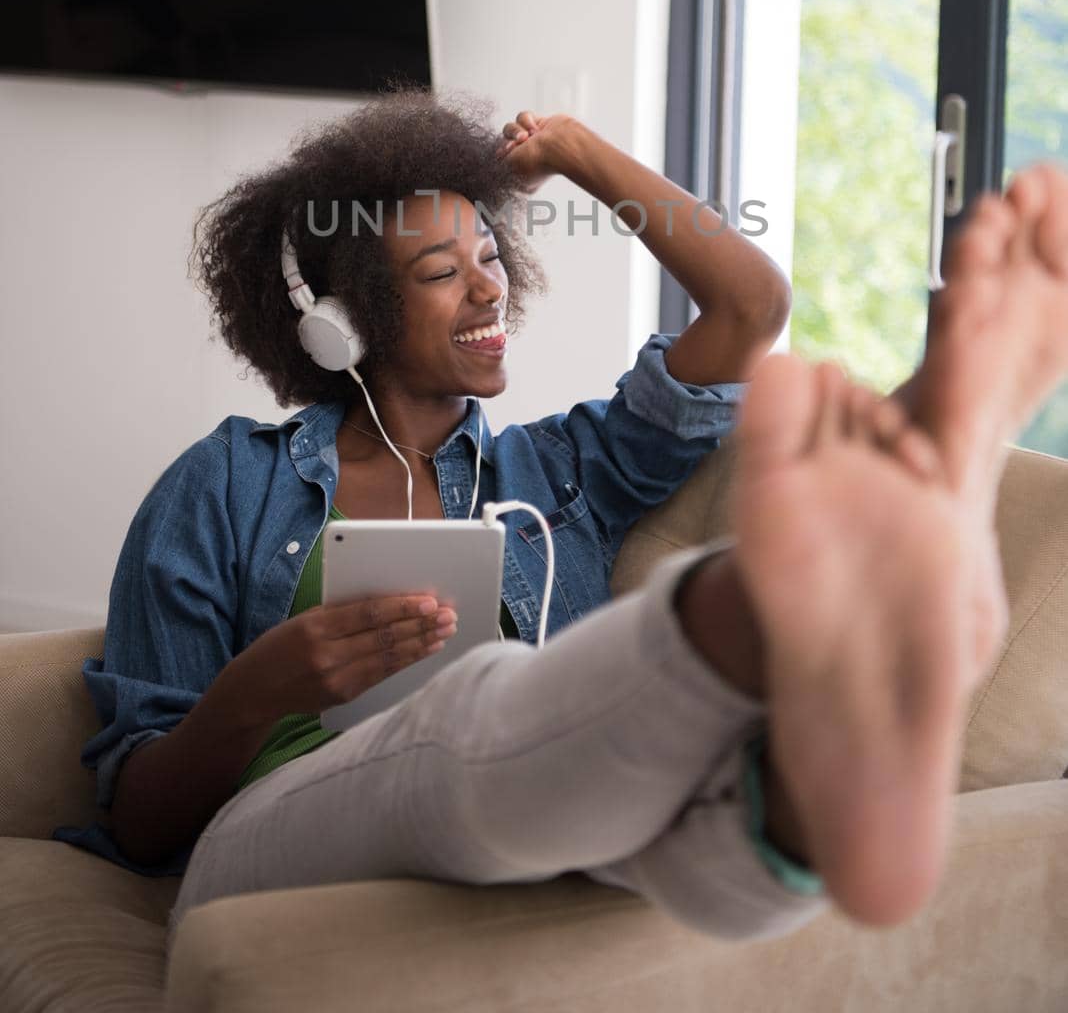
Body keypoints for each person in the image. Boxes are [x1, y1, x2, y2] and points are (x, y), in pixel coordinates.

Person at [49, 89, 1068, 960]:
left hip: (536, 816)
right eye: (444, 271)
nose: (491, 284)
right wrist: (257, 690)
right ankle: (769, 603)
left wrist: (576, 150)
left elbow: (751, 305)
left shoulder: (562, 468)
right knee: (466, 723)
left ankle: (813, 794)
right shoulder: (222, 486)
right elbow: (139, 820)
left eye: (490, 252)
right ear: (343, 319)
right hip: (265, 851)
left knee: (661, 821)